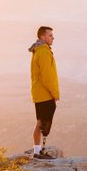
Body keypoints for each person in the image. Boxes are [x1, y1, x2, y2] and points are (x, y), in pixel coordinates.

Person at [28, 26, 60, 159]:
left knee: (40, 122)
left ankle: (37, 151)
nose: (53, 38)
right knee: (44, 124)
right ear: (42, 37)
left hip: (39, 93)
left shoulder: (38, 50)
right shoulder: (44, 52)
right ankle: (39, 152)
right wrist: (55, 93)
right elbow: (47, 76)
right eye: (50, 35)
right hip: (45, 93)